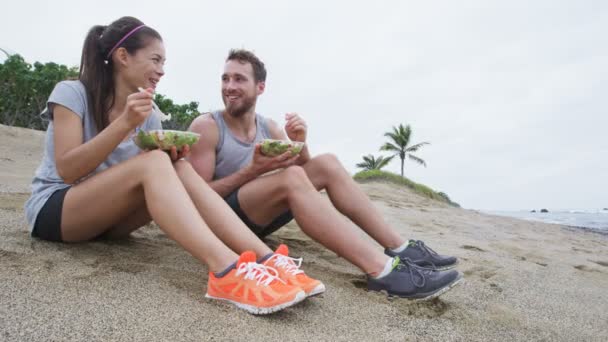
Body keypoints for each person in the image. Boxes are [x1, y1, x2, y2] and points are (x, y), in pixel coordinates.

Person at [23, 17, 320, 315]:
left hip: (108, 224)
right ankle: (226, 270)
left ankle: (267, 259)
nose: (161, 70)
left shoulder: (150, 112)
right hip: (56, 212)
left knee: (177, 166)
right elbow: (67, 169)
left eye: (164, 62)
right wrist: (125, 124)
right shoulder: (72, 93)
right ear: (123, 56)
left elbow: (149, 175)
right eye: (155, 60)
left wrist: (172, 156)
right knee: (154, 162)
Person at [188, 49, 463, 300]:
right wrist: (254, 170)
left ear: (260, 87)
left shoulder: (269, 128)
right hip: (221, 223)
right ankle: (383, 271)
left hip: (259, 217)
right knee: (291, 178)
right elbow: (195, 198)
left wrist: (301, 142)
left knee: (327, 163)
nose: (229, 87)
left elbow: (304, 170)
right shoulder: (208, 126)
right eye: (225, 79)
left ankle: (401, 248)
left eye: (239, 79)